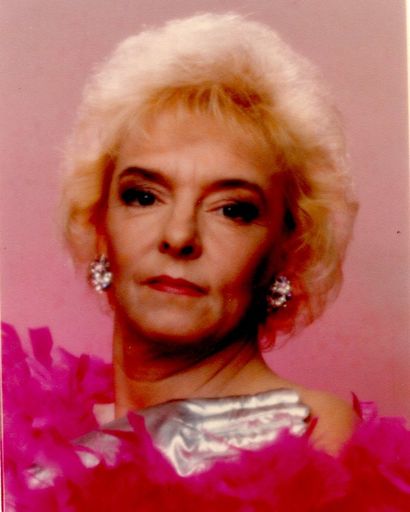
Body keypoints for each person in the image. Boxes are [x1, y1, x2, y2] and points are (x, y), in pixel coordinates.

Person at [4, 13, 410, 511]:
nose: (178, 236)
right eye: (144, 196)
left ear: (288, 248)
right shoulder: (28, 434)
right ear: (99, 223)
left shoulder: (307, 432)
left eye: (232, 210)